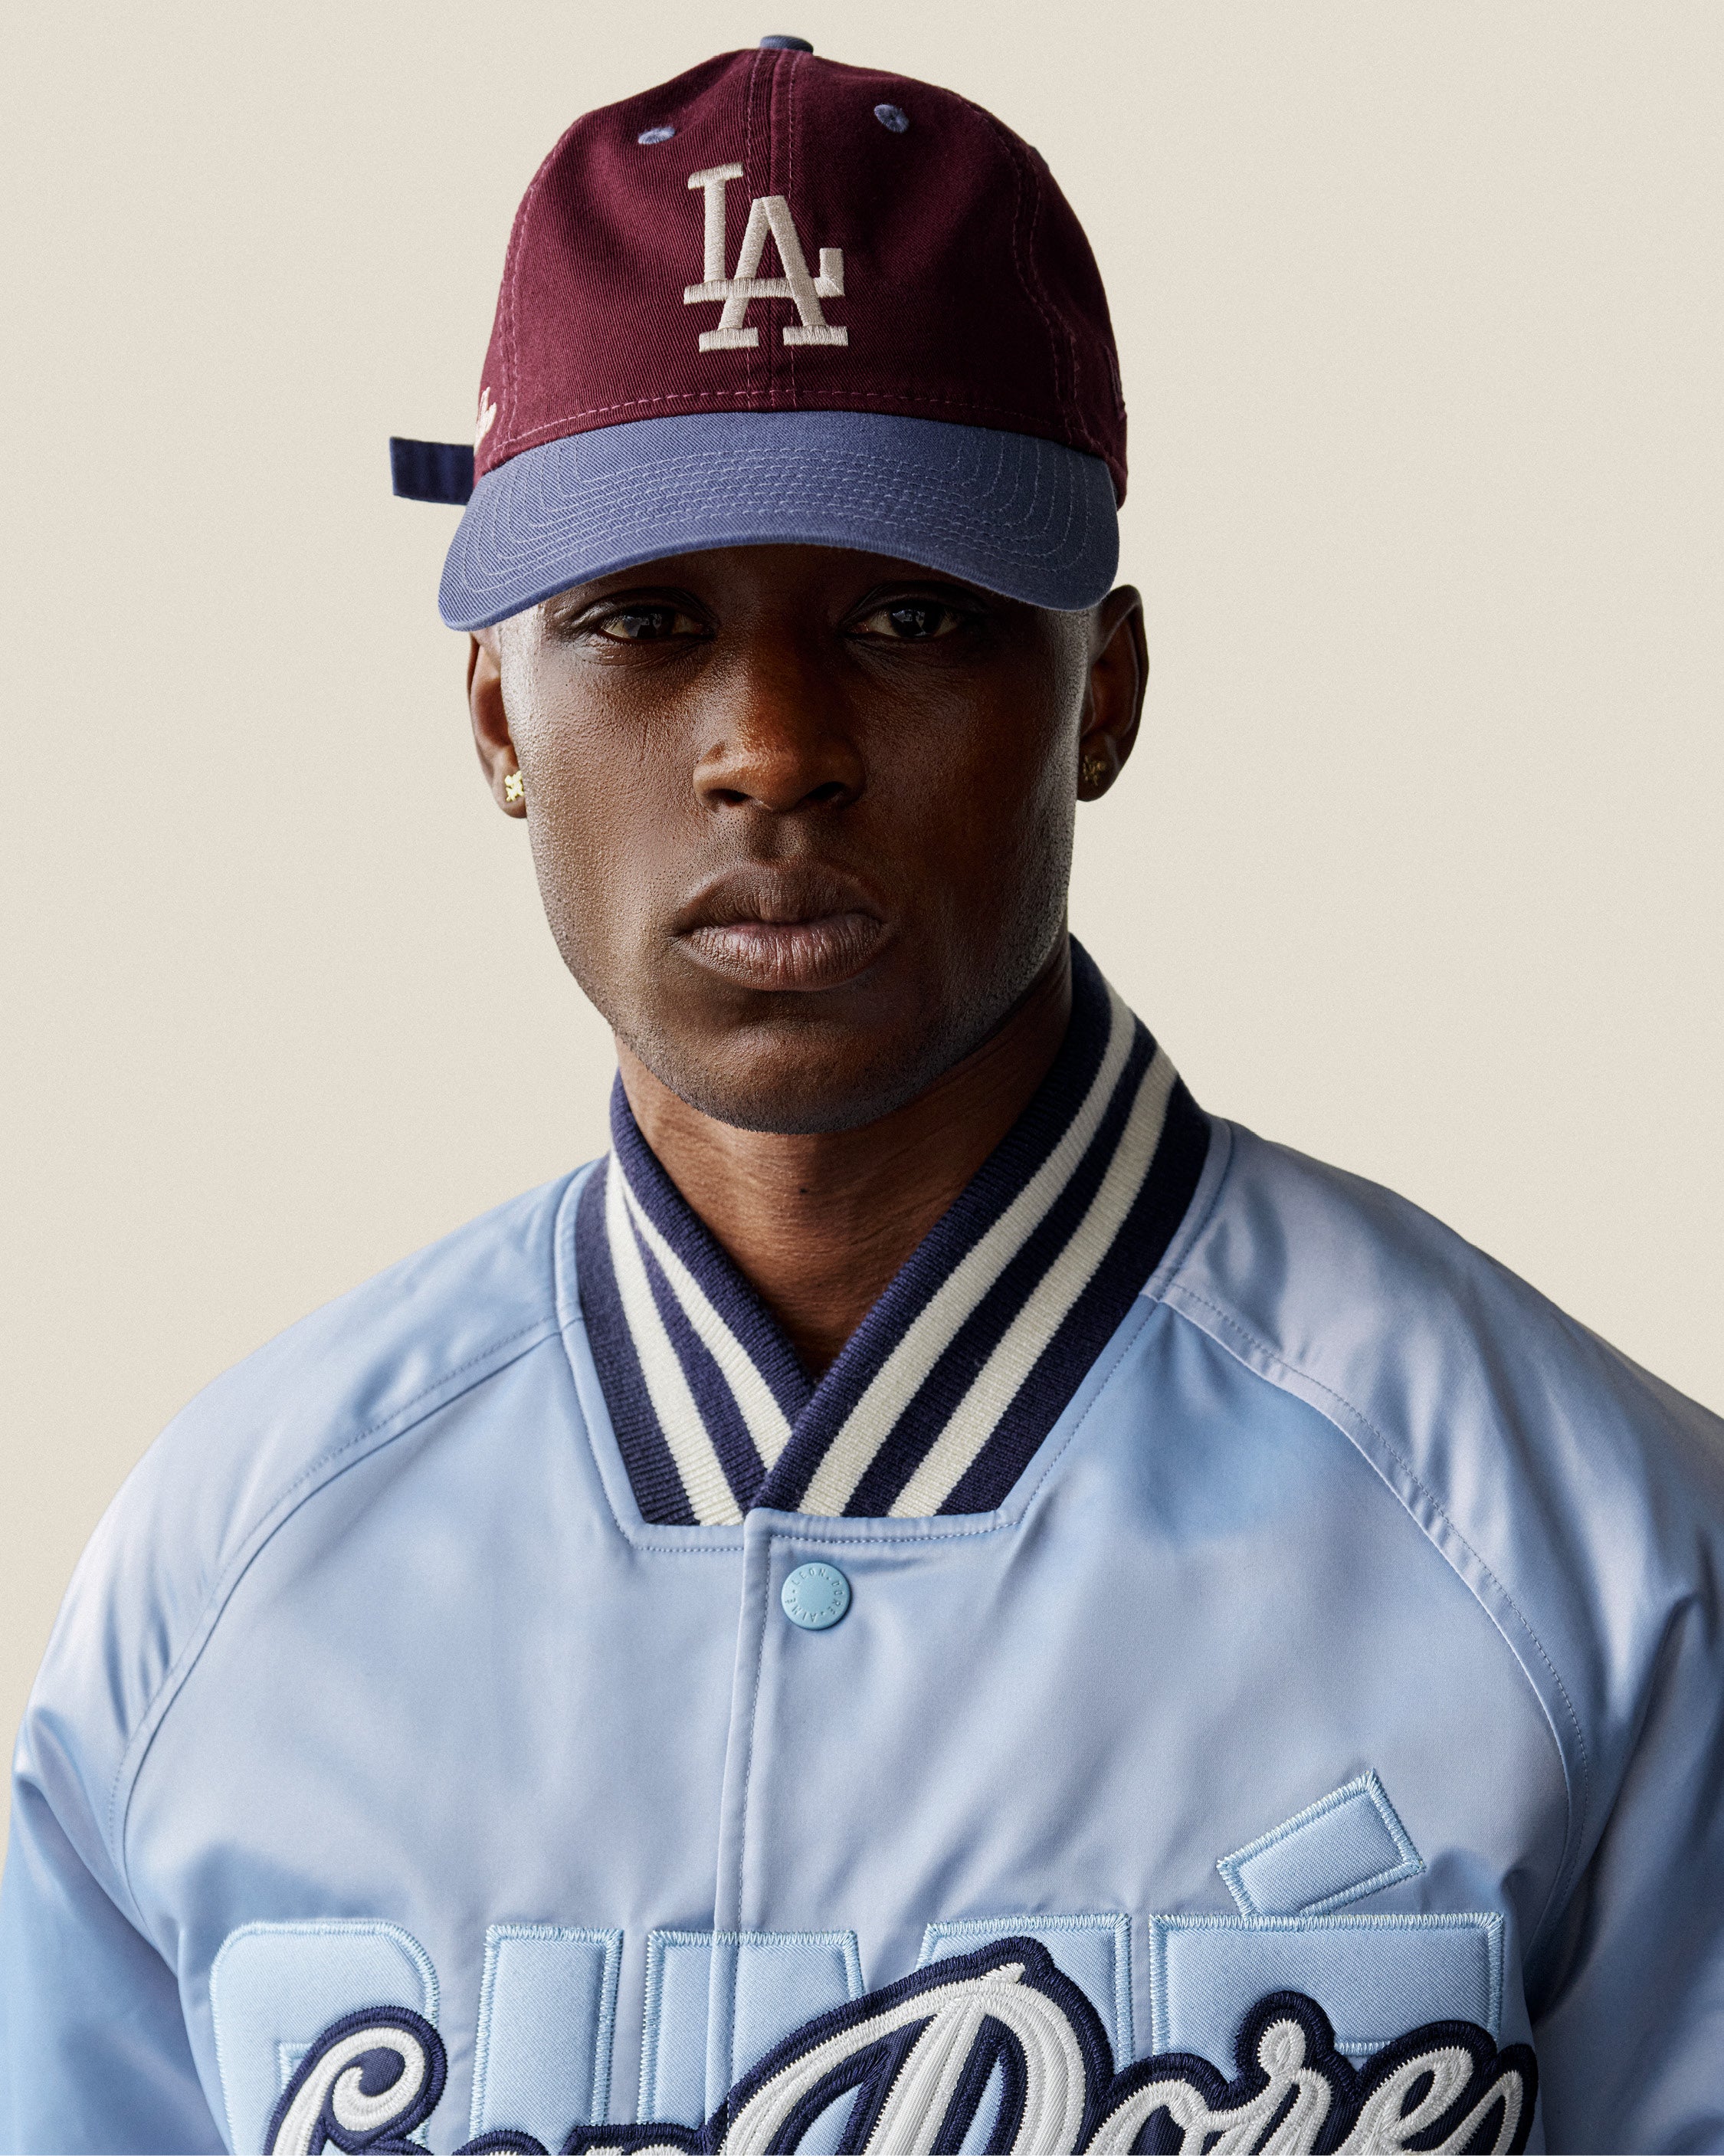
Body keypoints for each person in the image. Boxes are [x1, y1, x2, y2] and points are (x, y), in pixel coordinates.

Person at [2, 36, 1720, 2156]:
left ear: (1101, 692)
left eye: (906, 615)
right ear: (491, 718)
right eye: (645, 618)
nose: (770, 748)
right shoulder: (220, 1581)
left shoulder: (1590, 1551)